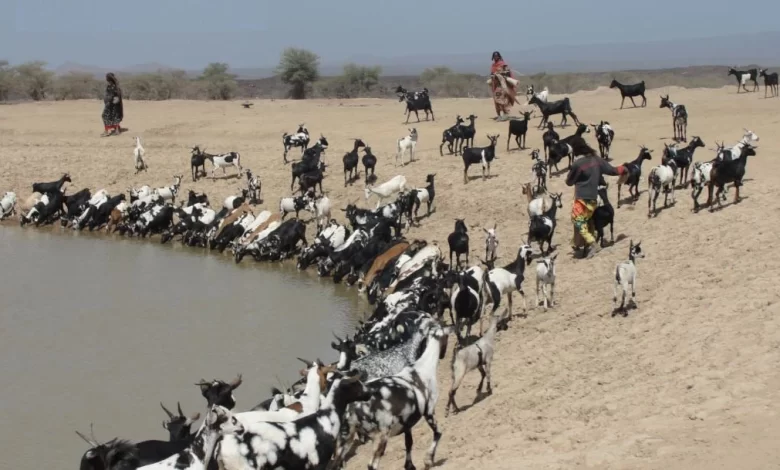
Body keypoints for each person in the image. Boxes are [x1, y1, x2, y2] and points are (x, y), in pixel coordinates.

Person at [565, 140, 627, 258]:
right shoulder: (597, 160)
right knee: (587, 220)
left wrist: (575, 178)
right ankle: (583, 244)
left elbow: (569, 182)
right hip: (593, 199)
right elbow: (612, 170)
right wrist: (624, 168)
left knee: (578, 221)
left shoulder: (578, 164)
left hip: (581, 199)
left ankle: (593, 244)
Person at [489, 51, 519, 120]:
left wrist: (501, 73)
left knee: (501, 99)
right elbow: (491, 73)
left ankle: (505, 113)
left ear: (499, 56)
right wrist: (493, 75)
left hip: (502, 85)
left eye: (496, 56)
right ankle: (499, 114)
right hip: (495, 84)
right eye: (494, 56)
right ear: (493, 57)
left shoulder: (503, 64)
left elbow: (508, 73)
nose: (495, 57)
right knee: (496, 100)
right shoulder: (493, 65)